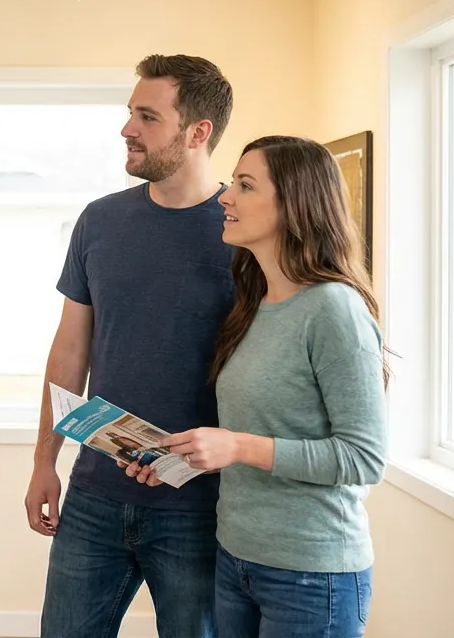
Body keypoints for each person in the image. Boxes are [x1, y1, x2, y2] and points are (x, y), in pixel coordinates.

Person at [133, 135, 388, 638]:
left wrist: (237, 447)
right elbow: (257, 431)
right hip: (236, 557)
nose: (226, 196)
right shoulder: (254, 304)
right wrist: (185, 456)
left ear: (296, 204)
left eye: (245, 186)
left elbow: (364, 459)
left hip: (312, 573)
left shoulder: (334, 309)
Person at [26, 54, 237, 638]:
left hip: (199, 507)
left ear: (198, 133)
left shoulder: (240, 233)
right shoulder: (99, 222)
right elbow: (69, 350)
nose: (127, 129)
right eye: (129, 114)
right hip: (95, 495)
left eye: (147, 116)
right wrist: (45, 461)